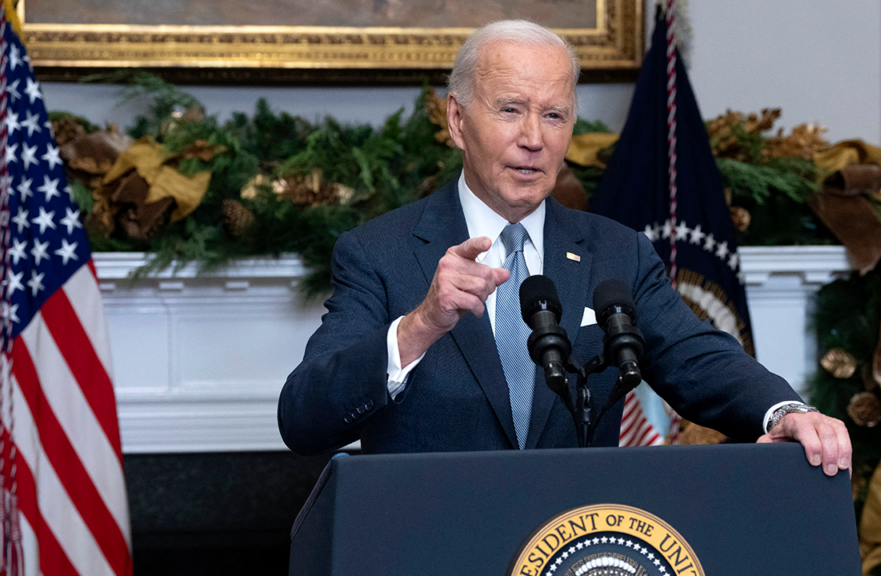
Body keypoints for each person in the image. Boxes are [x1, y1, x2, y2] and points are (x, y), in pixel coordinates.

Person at [278, 20, 851, 476]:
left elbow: (699, 358)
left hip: (572, 548)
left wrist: (789, 412)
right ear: (457, 120)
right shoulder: (379, 251)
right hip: (433, 546)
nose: (533, 138)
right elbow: (304, 419)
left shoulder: (615, 252)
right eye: (510, 109)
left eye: (554, 115)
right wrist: (420, 326)